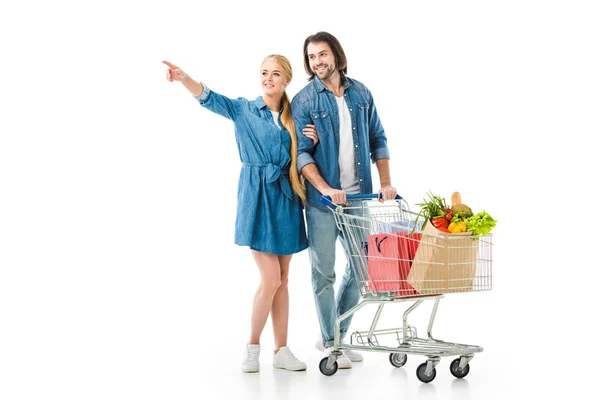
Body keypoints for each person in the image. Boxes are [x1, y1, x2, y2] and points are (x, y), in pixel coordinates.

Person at [163, 55, 319, 373]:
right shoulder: (244, 109)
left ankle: (281, 350)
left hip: (287, 197)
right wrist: (184, 78)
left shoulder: (296, 116)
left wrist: (313, 141)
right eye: (264, 73)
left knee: (284, 279)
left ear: (286, 80)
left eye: (275, 74)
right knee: (270, 278)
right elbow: (209, 98)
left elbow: (304, 156)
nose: (268, 79)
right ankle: (252, 347)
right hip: (258, 197)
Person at [291, 32, 397, 369]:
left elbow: (377, 139)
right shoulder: (305, 100)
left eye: (322, 54)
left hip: (360, 198)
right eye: (311, 57)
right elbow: (302, 156)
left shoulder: (361, 93)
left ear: (336, 54)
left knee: (362, 269)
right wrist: (324, 188)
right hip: (323, 204)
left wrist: (386, 183)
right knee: (323, 274)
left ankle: (335, 335)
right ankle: (333, 342)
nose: (318, 62)